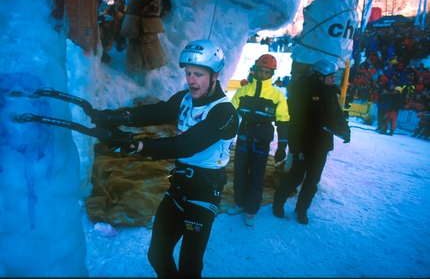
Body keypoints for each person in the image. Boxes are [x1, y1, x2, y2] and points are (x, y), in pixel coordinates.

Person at [91, 39, 239, 278]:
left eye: (199, 74)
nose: (191, 80)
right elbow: (155, 112)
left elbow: (188, 144)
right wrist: (115, 117)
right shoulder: (185, 99)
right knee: (157, 255)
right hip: (178, 187)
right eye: (188, 73)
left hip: (204, 193)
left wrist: (139, 145)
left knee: (190, 267)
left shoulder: (224, 113)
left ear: (215, 75)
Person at [272, 59, 351, 225]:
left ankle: (302, 210)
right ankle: (278, 203)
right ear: (320, 76)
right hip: (303, 144)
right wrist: (296, 147)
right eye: (330, 77)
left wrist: (345, 129)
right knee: (295, 177)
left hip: (321, 145)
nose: (333, 80)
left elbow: (337, 114)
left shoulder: (330, 93)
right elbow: (292, 121)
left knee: (313, 179)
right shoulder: (302, 91)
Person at [227, 54, 290, 226]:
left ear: (272, 73)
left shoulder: (277, 96)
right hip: (243, 141)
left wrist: (282, 146)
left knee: (256, 177)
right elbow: (231, 117)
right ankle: (239, 203)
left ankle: (250, 210)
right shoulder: (242, 92)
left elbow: (283, 121)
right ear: (254, 70)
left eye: (267, 72)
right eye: (260, 71)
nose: (263, 75)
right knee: (239, 175)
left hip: (261, 144)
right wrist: (223, 138)